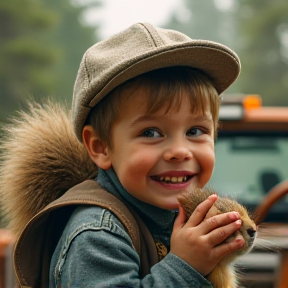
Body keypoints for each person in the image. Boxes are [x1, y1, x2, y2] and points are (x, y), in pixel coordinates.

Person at [1, 23, 244, 288]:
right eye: (151, 132)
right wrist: (185, 268)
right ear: (100, 147)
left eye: (195, 130)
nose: (179, 151)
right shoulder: (96, 233)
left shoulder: (171, 217)